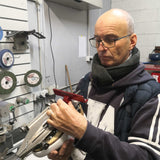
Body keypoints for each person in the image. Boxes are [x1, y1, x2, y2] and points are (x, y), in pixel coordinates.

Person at [47, 8, 160, 160]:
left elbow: (146, 156)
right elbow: (76, 127)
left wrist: (84, 132)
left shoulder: (150, 94)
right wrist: (66, 144)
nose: (101, 47)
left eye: (111, 39)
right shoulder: (87, 81)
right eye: (98, 40)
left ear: (132, 41)